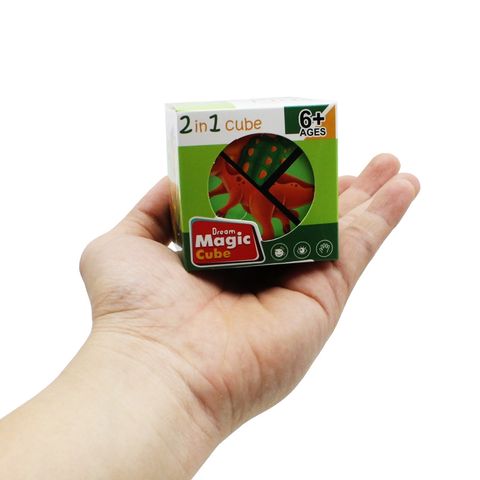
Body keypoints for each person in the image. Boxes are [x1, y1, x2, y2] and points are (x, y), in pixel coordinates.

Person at [0, 154, 419, 479]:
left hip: (265, 220)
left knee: (267, 212)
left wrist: (155, 365)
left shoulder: (247, 188)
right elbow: (233, 195)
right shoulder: (231, 186)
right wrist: (152, 356)